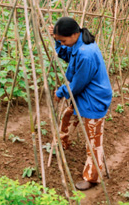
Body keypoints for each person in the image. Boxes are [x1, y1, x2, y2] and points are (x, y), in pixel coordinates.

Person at [49, 17, 112, 191]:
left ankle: (92, 178)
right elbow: (66, 53)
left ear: (75, 34)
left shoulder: (86, 53)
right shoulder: (78, 44)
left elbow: (77, 84)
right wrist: (57, 41)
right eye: (59, 40)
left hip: (94, 100)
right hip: (85, 96)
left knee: (93, 141)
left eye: (63, 40)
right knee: (67, 117)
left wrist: (61, 92)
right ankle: (63, 144)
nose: (61, 43)